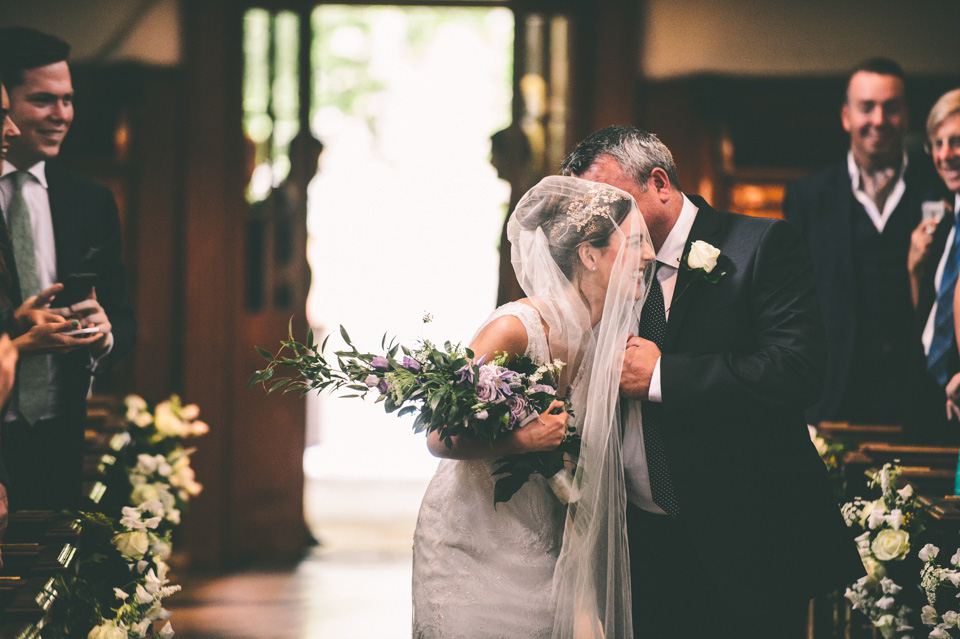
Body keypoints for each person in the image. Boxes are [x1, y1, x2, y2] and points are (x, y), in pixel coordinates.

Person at [561, 125, 864, 639]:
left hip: (747, 543)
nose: (599, 224)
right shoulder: (602, 268)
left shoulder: (761, 246)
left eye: (611, 205)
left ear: (659, 183)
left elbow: (797, 371)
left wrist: (661, 374)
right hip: (640, 544)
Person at [413, 175, 655, 639]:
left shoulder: (605, 341)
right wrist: (521, 439)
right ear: (589, 255)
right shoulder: (515, 328)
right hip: (471, 544)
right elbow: (436, 435)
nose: (648, 255)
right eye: (637, 243)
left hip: (545, 553)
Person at [0, 27, 136, 510]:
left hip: (59, 431)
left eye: (68, 100)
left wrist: (106, 334)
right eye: (42, 100)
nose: (61, 116)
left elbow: (122, 314)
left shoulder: (91, 201)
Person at [783, 58, 944, 432]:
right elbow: (792, 300)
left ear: (906, 115)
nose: (879, 119)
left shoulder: (938, 188)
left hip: (918, 391)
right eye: (866, 107)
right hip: (834, 392)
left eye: (891, 107)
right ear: (846, 115)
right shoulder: (808, 196)